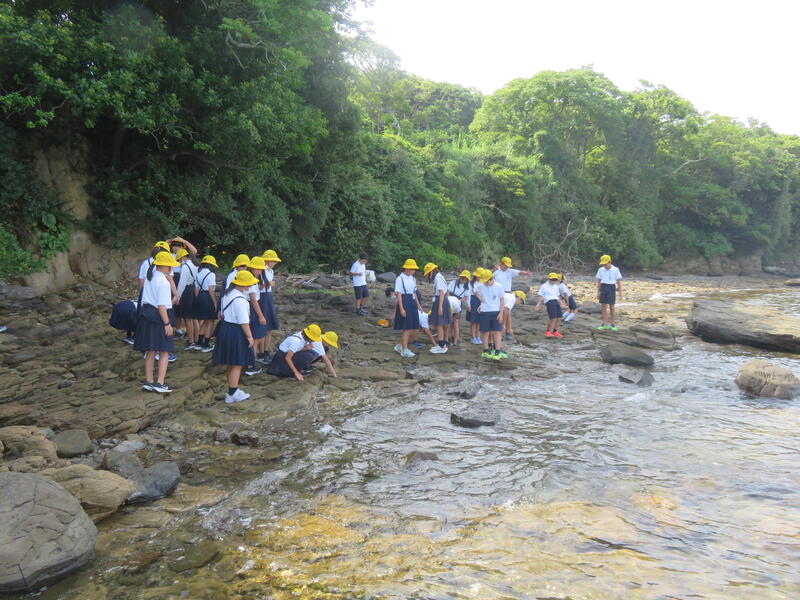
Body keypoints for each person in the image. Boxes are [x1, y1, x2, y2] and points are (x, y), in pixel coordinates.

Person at [135, 251, 180, 393]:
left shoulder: (150, 277)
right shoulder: (163, 282)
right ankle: (160, 382)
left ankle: (148, 381)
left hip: (146, 314)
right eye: (170, 266)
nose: (171, 269)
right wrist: (167, 324)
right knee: (164, 350)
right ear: (165, 266)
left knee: (150, 349)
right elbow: (161, 306)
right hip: (158, 316)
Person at [212, 269, 258, 403]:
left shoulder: (227, 294)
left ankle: (232, 390)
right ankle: (233, 393)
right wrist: (249, 337)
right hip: (236, 331)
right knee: (237, 363)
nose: (250, 287)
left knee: (231, 362)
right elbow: (243, 321)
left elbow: (221, 314)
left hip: (225, 329)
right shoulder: (241, 300)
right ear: (243, 285)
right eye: (249, 284)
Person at [243, 256, 268, 376]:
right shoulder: (251, 280)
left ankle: (249, 361)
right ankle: (251, 365)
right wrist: (261, 316)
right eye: (258, 269)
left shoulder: (250, 278)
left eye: (261, 269)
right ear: (252, 268)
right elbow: (253, 299)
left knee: (253, 337)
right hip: (252, 309)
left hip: (249, 308)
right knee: (255, 338)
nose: (260, 271)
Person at [393, 259, 423, 358]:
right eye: (412, 269)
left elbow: (414, 293)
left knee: (414, 326)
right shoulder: (400, 279)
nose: (413, 271)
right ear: (406, 268)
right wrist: (401, 308)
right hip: (404, 301)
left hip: (412, 302)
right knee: (407, 327)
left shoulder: (413, 279)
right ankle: (405, 349)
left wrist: (418, 305)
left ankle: (400, 345)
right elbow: (399, 294)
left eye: (414, 269)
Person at [475, 269, 506, 359]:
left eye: (487, 281)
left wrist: (501, 313)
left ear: (491, 279)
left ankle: (497, 351)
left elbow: (502, 300)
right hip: (484, 311)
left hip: (496, 311)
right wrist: (481, 302)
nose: (486, 283)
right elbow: (475, 291)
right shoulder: (481, 286)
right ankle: (486, 350)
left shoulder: (499, 286)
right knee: (485, 332)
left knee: (496, 332)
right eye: (484, 281)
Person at [175, 248, 200, 349]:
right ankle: (196, 340)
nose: (179, 261)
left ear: (182, 257)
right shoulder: (195, 264)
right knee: (194, 318)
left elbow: (182, 284)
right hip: (194, 290)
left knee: (188, 318)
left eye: (179, 259)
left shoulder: (185, 267)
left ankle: (191, 341)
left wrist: (177, 297)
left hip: (187, 292)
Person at [193, 255, 219, 352]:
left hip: (200, 296)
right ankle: (206, 344)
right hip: (207, 297)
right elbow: (211, 290)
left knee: (204, 320)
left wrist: (197, 300)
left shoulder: (198, 273)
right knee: (210, 321)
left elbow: (196, 289)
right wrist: (215, 302)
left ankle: (199, 343)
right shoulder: (211, 274)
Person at [423, 262, 450, 354]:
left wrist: (440, 307)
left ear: (431, 272)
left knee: (439, 323)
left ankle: (442, 346)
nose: (428, 276)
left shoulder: (438, 278)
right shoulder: (439, 277)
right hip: (439, 300)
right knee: (439, 323)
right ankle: (441, 344)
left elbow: (441, 292)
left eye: (428, 274)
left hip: (440, 300)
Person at [260, 249, 282, 362]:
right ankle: (261, 352)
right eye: (273, 261)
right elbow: (257, 286)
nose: (275, 263)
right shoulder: (260, 270)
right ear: (267, 260)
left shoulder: (271, 271)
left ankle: (266, 351)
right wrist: (268, 283)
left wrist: (268, 284)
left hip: (268, 297)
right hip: (262, 298)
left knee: (270, 327)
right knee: (264, 327)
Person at [596, 254, 622, 331]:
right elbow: (599, 281)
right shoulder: (601, 270)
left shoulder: (615, 269)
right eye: (603, 264)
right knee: (603, 306)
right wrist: (598, 292)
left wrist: (620, 292)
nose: (604, 265)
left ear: (609, 262)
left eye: (605, 264)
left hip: (611, 287)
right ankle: (604, 323)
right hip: (603, 287)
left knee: (612, 306)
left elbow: (618, 281)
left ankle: (613, 323)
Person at [535, 273, 564, 338]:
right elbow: (540, 295)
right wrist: (538, 304)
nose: (554, 281)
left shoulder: (556, 286)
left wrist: (561, 303)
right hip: (549, 301)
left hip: (556, 301)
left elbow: (557, 296)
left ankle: (555, 331)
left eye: (555, 279)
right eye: (552, 279)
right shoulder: (544, 286)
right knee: (553, 318)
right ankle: (548, 331)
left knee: (559, 317)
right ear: (549, 279)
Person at [447, 270, 471, 346]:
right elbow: (448, 291)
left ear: (467, 280)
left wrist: (458, 301)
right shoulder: (453, 283)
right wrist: (450, 298)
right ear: (460, 277)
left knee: (456, 322)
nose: (463, 279)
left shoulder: (467, 287)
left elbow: (465, 297)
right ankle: (452, 337)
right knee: (450, 322)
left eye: (465, 279)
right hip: (450, 302)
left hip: (458, 303)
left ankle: (455, 341)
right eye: (462, 278)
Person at [466, 268, 484, 344]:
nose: (478, 277)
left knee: (479, 321)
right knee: (473, 321)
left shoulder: (484, 283)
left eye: (480, 276)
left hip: (481, 302)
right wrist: (468, 305)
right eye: (477, 276)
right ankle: (473, 337)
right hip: (473, 301)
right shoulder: (471, 283)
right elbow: (468, 295)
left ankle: (478, 337)